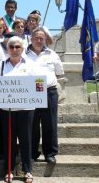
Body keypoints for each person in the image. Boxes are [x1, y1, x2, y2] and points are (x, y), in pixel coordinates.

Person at [0, 36, 35, 183]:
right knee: (9, 141)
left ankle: (27, 170)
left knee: (26, 140)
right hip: (6, 110)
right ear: (7, 49)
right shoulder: (0, 66)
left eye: (17, 47)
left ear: (22, 49)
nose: (14, 49)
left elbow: (38, 84)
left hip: (26, 109)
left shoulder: (31, 65)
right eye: (11, 47)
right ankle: (9, 170)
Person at [26, 27, 64, 164]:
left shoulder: (52, 54)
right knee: (32, 124)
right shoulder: (23, 54)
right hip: (30, 92)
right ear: (31, 38)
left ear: (45, 40)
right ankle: (32, 152)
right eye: (36, 37)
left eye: (41, 38)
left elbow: (59, 72)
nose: (39, 40)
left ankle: (50, 153)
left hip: (49, 91)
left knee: (50, 124)